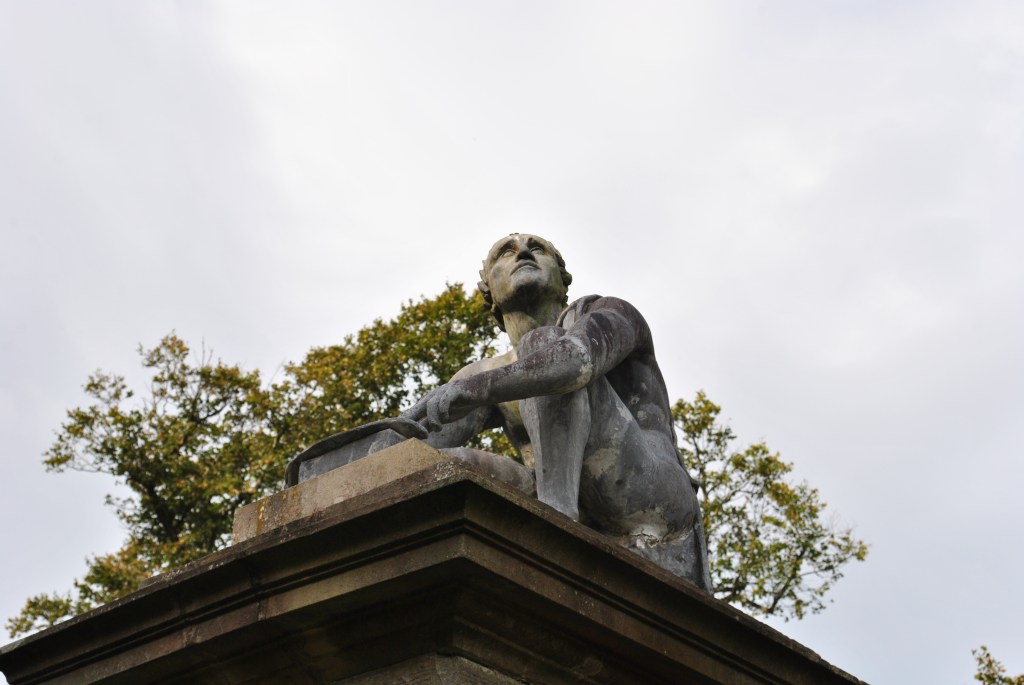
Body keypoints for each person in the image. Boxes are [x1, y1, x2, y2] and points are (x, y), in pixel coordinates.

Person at [375, 233, 711, 589]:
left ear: (563, 280)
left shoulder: (610, 312)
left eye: (537, 249)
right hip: (557, 496)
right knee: (448, 469)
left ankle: (553, 534)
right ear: (489, 291)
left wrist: (470, 390)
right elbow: (414, 443)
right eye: (505, 253)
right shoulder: (483, 373)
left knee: (544, 347)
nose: (523, 252)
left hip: (651, 496)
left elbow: (574, 363)